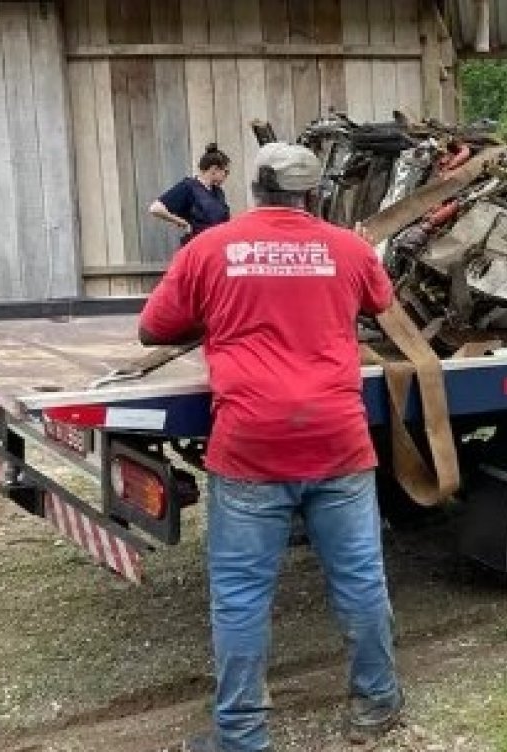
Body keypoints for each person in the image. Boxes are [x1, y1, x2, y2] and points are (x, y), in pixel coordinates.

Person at [139, 142, 404, 752]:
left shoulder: (208, 248)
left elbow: (154, 327)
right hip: (337, 441)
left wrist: (219, 311)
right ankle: (377, 703)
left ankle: (242, 736)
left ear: (254, 190)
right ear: (310, 195)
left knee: (240, 594)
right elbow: (381, 304)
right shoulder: (349, 248)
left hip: (251, 446)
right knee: (360, 579)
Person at [149, 143, 233, 246]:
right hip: (197, 247)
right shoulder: (188, 187)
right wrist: (183, 223)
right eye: (226, 172)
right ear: (214, 169)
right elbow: (156, 208)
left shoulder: (218, 192)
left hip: (216, 247)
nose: (227, 176)